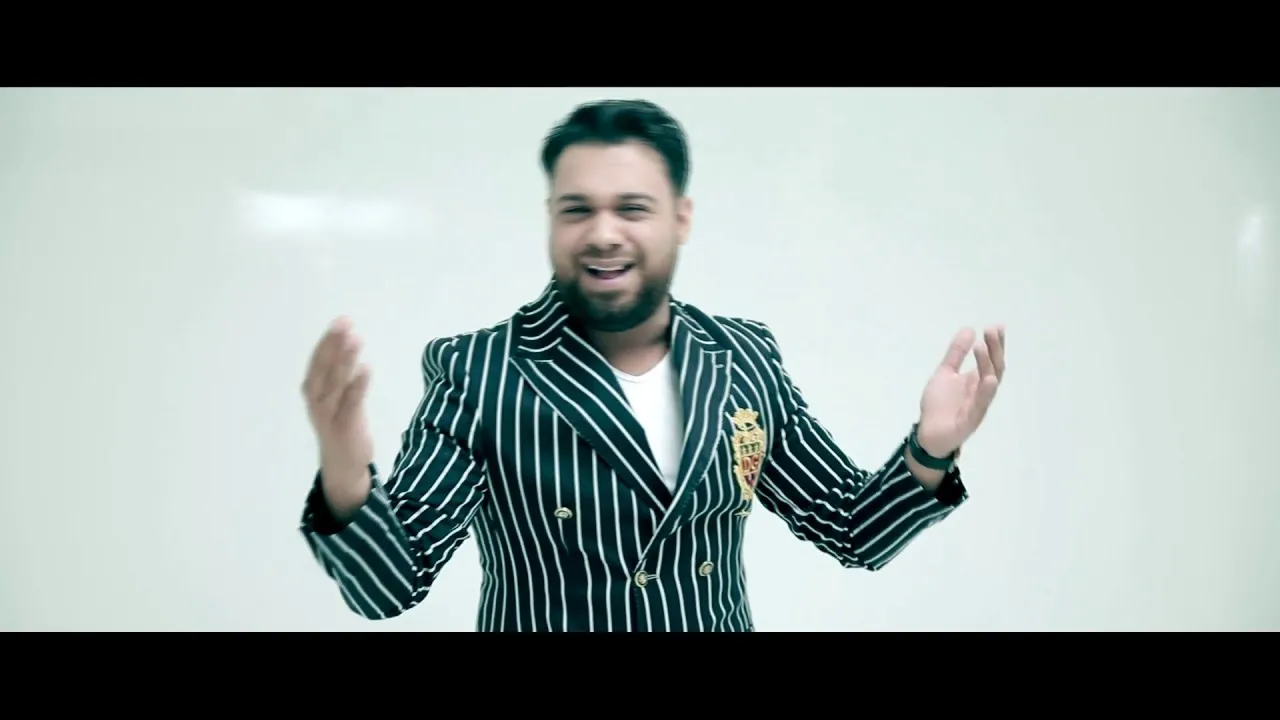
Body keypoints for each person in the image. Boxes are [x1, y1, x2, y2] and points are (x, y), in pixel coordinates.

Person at [297, 98, 1006, 632]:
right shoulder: (480, 372)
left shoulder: (743, 359)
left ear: (680, 218)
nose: (603, 233)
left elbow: (852, 528)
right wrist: (346, 472)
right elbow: (389, 585)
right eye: (577, 210)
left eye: (632, 208)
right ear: (551, 218)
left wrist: (930, 449)